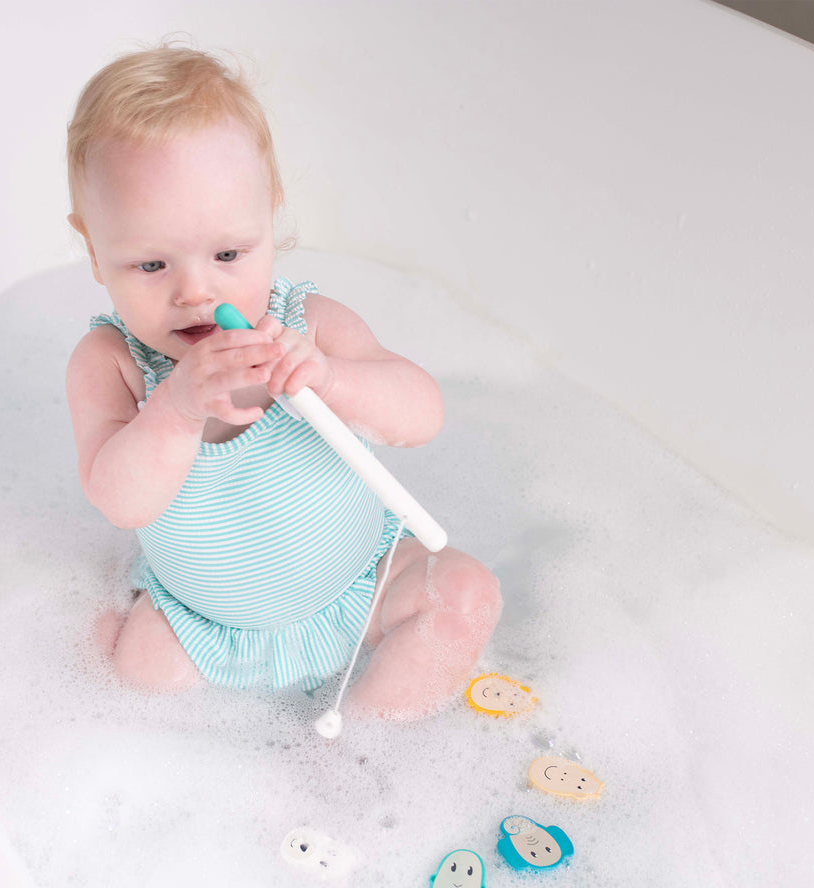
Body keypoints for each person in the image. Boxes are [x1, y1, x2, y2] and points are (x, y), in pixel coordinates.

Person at [64, 43, 502, 717]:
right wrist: (176, 409)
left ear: (270, 216)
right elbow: (121, 502)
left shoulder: (309, 324)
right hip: (203, 624)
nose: (196, 292)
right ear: (95, 250)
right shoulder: (112, 362)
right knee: (132, 675)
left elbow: (422, 416)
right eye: (151, 265)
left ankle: (358, 748)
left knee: (466, 595)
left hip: (363, 585)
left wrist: (332, 379)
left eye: (228, 253)